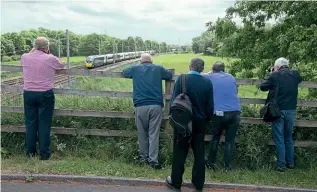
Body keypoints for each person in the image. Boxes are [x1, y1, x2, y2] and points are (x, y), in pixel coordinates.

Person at [165, 58, 214, 191]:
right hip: (200, 122)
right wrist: (206, 120)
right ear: (202, 69)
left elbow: (174, 101)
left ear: (190, 66)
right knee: (199, 153)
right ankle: (198, 184)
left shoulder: (182, 79)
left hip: (183, 122)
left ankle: (176, 183)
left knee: (179, 152)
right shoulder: (207, 82)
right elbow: (210, 107)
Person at [121, 53, 173, 169]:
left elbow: (124, 72)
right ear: (151, 61)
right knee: (153, 134)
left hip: (140, 106)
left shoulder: (135, 69)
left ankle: (143, 158)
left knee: (142, 133)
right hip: (155, 106)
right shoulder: (158, 68)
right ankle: (153, 161)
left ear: (141, 61)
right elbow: (169, 75)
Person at [21, 36, 65, 160]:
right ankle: (44, 155)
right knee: (44, 125)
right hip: (45, 94)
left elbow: (27, 56)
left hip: (29, 93)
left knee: (30, 124)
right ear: (47, 47)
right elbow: (62, 64)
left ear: (35, 47)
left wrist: (32, 51)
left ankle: (30, 154)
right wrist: (49, 53)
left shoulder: (24, 57)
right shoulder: (50, 58)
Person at [260, 57, 302, 172]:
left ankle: (281, 165)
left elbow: (263, 87)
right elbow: (299, 79)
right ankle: (291, 163)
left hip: (278, 111)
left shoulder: (275, 75)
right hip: (291, 110)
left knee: (279, 138)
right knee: (288, 138)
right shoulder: (295, 74)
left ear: (277, 66)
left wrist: (272, 73)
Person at [202, 61, 241, 171]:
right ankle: (227, 166)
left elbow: (198, 74)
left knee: (215, 137)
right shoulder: (231, 77)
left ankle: (210, 163)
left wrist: (210, 73)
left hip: (220, 112)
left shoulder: (210, 77)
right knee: (230, 140)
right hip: (235, 112)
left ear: (213, 70)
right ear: (223, 70)